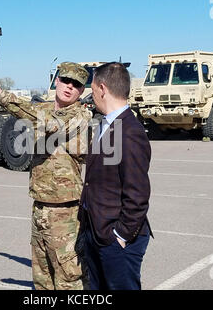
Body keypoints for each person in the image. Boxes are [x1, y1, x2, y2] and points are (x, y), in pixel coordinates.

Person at [0, 62, 91, 290]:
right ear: (56, 80)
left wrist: (0, 95)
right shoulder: (43, 109)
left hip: (65, 211)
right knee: (42, 276)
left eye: (76, 85)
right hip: (40, 206)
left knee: (69, 277)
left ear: (81, 91)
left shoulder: (79, 115)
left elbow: (46, 124)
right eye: (65, 80)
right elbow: (32, 114)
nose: (69, 87)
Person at [80, 62, 153, 290]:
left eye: (92, 90)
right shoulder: (107, 124)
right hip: (97, 231)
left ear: (102, 88)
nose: (91, 96)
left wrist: (120, 235)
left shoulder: (130, 131)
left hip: (116, 239)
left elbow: (138, 194)